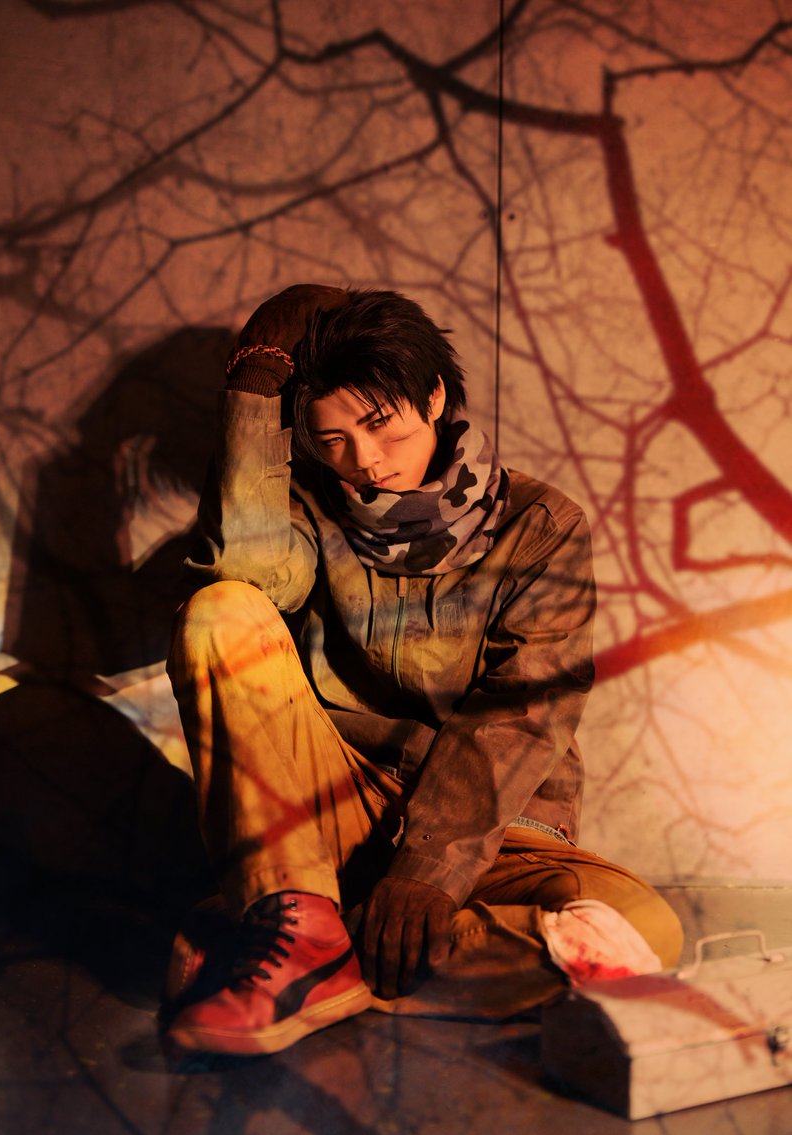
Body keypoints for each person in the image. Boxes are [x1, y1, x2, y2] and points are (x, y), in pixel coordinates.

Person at [163, 284, 683, 1056]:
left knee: (641, 931)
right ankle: (305, 929)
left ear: (434, 396)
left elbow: (522, 711)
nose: (365, 461)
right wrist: (254, 388)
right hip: (332, 812)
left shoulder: (542, 526)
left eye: (379, 424)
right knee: (219, 610)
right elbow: (244, 572)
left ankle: (305, 954)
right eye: (333, 438)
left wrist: (430, 871)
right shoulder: (305, 506)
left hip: (489, 831)